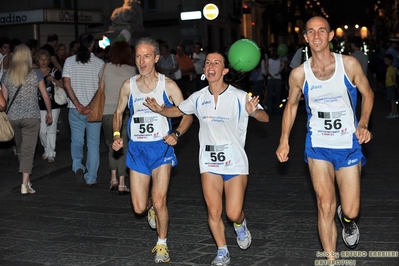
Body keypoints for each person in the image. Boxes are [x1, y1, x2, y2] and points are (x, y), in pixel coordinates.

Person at [144, 51, 269, 266]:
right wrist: (160, 109)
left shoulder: (240, 96)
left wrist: (253, 112)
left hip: (235, 162)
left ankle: (240, 224)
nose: (211, 66)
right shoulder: (198, 97)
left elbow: (265, 118)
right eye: (208, 63)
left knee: (233, 212)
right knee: (213, 210)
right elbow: (178, 110)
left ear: (225, 70)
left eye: (216, 63)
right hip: (209, 163)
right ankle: (222, 251)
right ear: (205, 70)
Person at [276, 16, 374, 261]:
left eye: (322, 31)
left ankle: (348, 220)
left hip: (348, 144)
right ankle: (331, 259)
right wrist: (284, 139)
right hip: (318, 145)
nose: (317, 36)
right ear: (306, 38)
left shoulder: (349, 65)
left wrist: (362, 123)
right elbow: (291, 106)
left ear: (331, 36)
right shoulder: (299, 74)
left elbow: (368, 93)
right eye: (311, 31)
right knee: (325, 204)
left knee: (351, 208)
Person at [111, 37, 193, 263]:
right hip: (137, 150)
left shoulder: (167, 85)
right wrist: (117, 136)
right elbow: (118, 113)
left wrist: (176, 134)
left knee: (160, 201)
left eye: (147, 56)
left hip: (161, 149)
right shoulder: (128, 85)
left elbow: (188, 113)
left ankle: (162, 244)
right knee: (139, 208)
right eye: (138, 56)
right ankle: (150, 208)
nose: (142, 61)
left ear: (156, 58)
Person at [0, 44, 53, 194]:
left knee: (21, 149)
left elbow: (3, 101)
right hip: (32, 117)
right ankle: (25, 184)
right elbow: (45, 95)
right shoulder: (36, 74)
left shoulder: (6, 75)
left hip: (13, 118)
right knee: (29, 150)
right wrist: (49, 111)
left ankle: (27, 180)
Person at [62, 33, 104, 186]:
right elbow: (101, 88)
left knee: (76, 140)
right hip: (93, 111)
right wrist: (90, 105)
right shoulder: (99, 63)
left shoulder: (69, 61)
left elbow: (66, 84)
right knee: (93, 144)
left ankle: (78, 166)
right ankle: (91, 177)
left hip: (74, 109)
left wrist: (78, 104)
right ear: (92, 44)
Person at [100, 40, 136, 194]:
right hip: (125, 112)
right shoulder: (133, 70)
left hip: (107, 112)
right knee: (124, 145)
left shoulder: (105, 67)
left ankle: (113, 178)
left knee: (111, 144)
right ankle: (121, 182)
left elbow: (101, 89)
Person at [36, 49, 65, 162]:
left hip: (54, 105)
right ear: (37, 60)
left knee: (51, 129)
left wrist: (53, 80)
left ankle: (51, 152)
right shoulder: (35, 73)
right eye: (41, 59)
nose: (43, 61)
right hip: (39, 106)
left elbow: (63, 84)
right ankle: (47, 148)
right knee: (42, 130)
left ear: (49, 60)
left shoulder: (55, 71)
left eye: (45, 59)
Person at [265, 46, 285, 115]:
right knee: (278, 96)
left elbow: (265, 66)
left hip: (270, 79)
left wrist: (269, 74)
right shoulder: (279, 60)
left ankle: (270, 111)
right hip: (278, 78)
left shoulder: (269, 60)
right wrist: (279, 72)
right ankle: (277, 111)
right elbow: (283, 64)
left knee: (270, 96)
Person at [383, 54, 398, 118]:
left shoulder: (390, 68)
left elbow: (392, 77)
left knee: (392, 99)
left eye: (386, 60)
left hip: (390, 85)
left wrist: (395, 84)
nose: (385, 62)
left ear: (390, 61)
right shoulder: (391, 68)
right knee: (393, 99)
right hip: (391, 85)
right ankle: (395, 111)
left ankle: (393, 112)